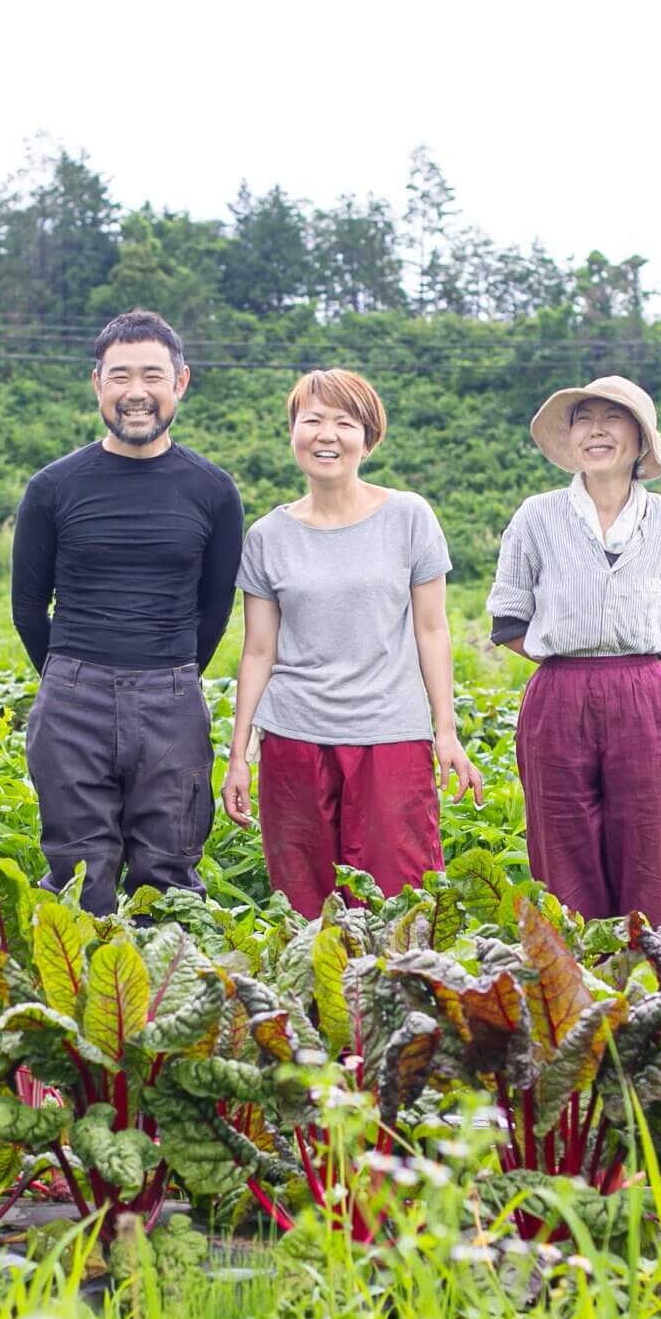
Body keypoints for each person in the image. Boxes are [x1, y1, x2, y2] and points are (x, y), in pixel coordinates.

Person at [220, 368, 483, 915]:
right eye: (311, 420)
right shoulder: (268, 536)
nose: (326, 434)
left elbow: (431, 629)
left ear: (368, 437)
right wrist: (240, 753)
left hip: (391, 738)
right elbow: (258, 651)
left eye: (344, 422)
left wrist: (446, 731)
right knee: (302, 906)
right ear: (292, 431)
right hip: (294, 740)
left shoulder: (408, 516)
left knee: (397, 903)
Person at [11, 311, 245, 915]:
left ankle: (165, 1003)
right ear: (97, 383)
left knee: (167, 879)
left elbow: (214, 608)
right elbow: (28, 607)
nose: (135, 392)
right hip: (71, 697)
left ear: (181, 382)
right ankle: (82, 1000)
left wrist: (168, 676)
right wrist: (69, 676)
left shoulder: (214, 491)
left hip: (172, 699)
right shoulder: (53, 486)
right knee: (77, 876)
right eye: (120, 376)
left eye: (152, 375)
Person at [485, 376, 661, 929]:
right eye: (584, 417)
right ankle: (578, 984)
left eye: (614, 417)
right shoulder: (537, 515)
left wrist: (627, 666)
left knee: (655, 841)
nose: (597, 429)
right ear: (571, 437)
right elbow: (508, 616)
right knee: (562, 841)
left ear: (641, 438)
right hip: (559, 691)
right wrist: (570, 660)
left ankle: (656, 976)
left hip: (645, 693)